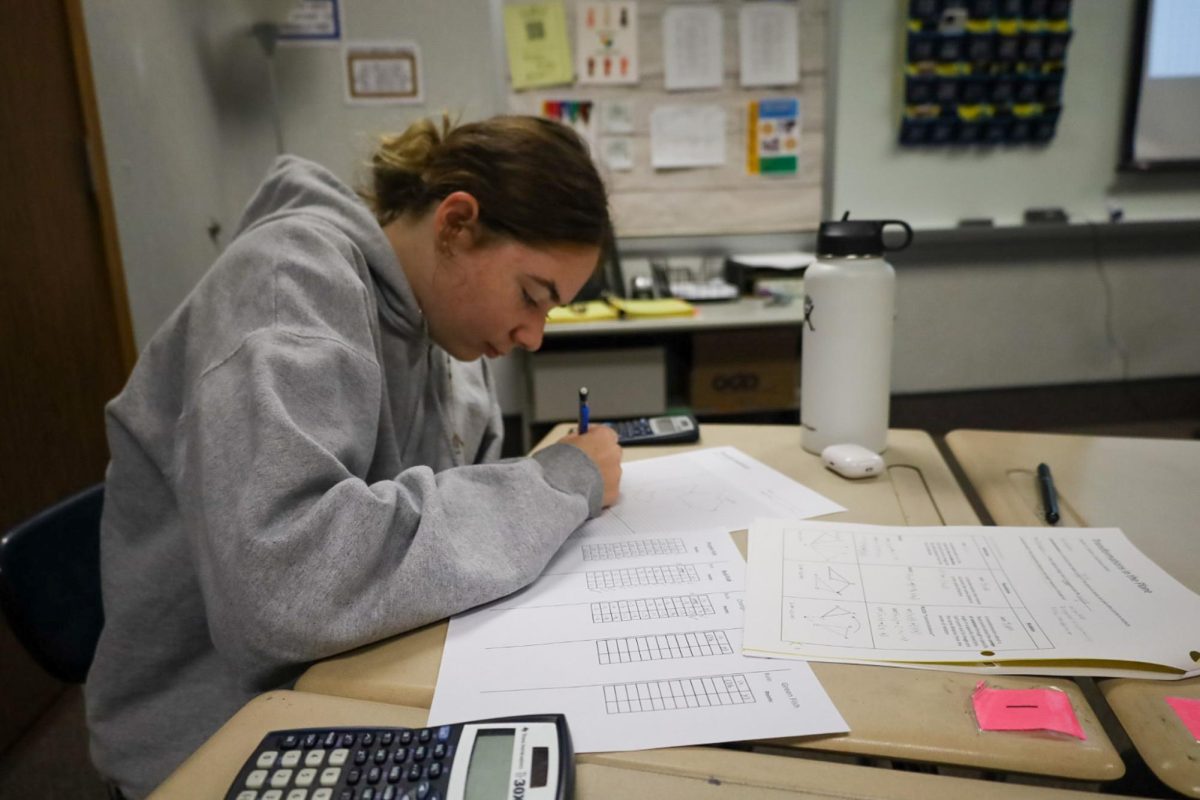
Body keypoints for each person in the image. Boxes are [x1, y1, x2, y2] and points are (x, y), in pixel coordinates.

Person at [85, 114, 623, 798]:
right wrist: (559, 483)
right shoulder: (290, 288)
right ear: (457, 224)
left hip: (348, 672)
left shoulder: (441, 330)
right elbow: (284, 588)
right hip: (220, 736)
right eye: (532, 296)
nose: (533, 335)